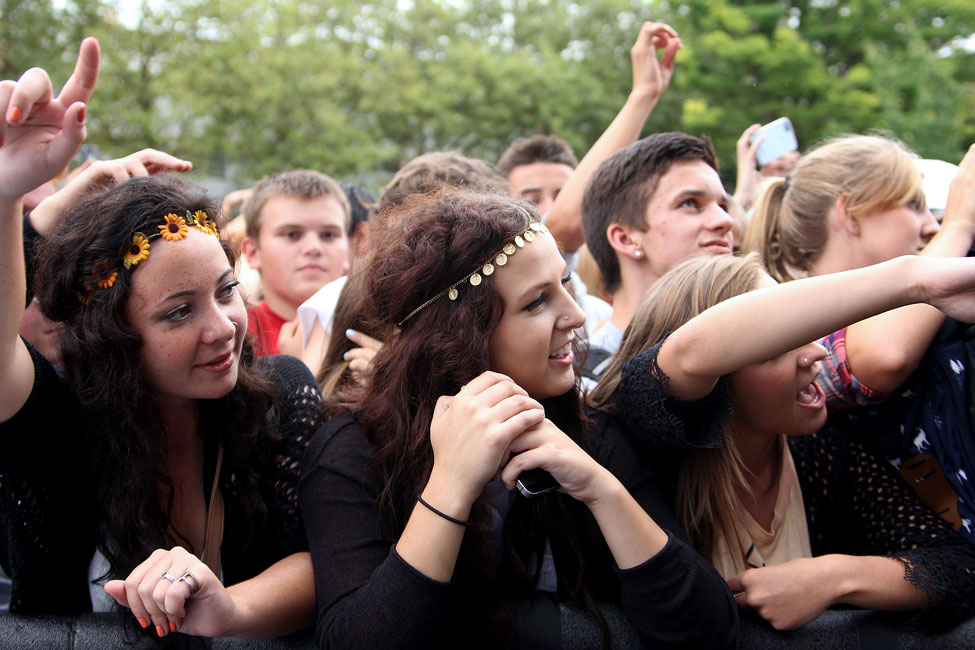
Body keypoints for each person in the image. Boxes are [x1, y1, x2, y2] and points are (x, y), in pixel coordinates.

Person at [299, 187, 737, 649]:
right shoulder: (351, 450)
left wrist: (601, 490)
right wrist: (451, 485)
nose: (574, 314)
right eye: (536, 302)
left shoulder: (587, 434)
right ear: (458, 337)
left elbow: (708, 631)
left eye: (565, 284)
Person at [0, 41, 320, 640]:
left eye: (226, 291)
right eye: (179, 313)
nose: (222, 326)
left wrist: (227, 607)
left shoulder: (280, 392)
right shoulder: (54, 415)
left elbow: (312, 561)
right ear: (109, 336)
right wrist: (10, 194)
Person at [589, 253, 975, 632]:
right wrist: (914, 278)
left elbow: (959, 566)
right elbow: (684, 357)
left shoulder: (823, 451)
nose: (817, 352)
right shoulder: (647, 449)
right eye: (777, 345)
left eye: (805, 332)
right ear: (718, 375)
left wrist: (834, 576)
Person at [742, 135, 975, 539]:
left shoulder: (921, 314)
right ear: (850, 214)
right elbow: (882, 356)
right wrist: (959, 226)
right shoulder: (789, 327)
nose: (931, 225)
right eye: (913, 205)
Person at [579, 131, 734, 385]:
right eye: (690, 203)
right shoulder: (584, 384)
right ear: (626, 239)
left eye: (723, 206)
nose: (725, 221)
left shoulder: (749, 358)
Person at [240, 168, 351, 356]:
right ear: (252, 252)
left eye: (329, 235)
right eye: (291, 234)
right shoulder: (234, 339)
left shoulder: (380, 332)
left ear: (348, 251)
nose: (313, 247)